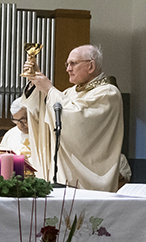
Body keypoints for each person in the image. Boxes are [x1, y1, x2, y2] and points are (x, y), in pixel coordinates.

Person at [20, 44, 123, 191]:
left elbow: (77, 120)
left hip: (90, 182)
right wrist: (36, 82)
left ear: (91, 66)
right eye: (67, 64)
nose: (68, 68)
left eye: (73, 63)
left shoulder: (108, 93)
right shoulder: (70, 93)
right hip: (62, 177)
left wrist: (49, 89)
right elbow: (45, 116)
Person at [0, 99, 42, 173]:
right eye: (17, 121)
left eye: (25, 120)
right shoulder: (10, 135)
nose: (22, 125)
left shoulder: (45, 133)